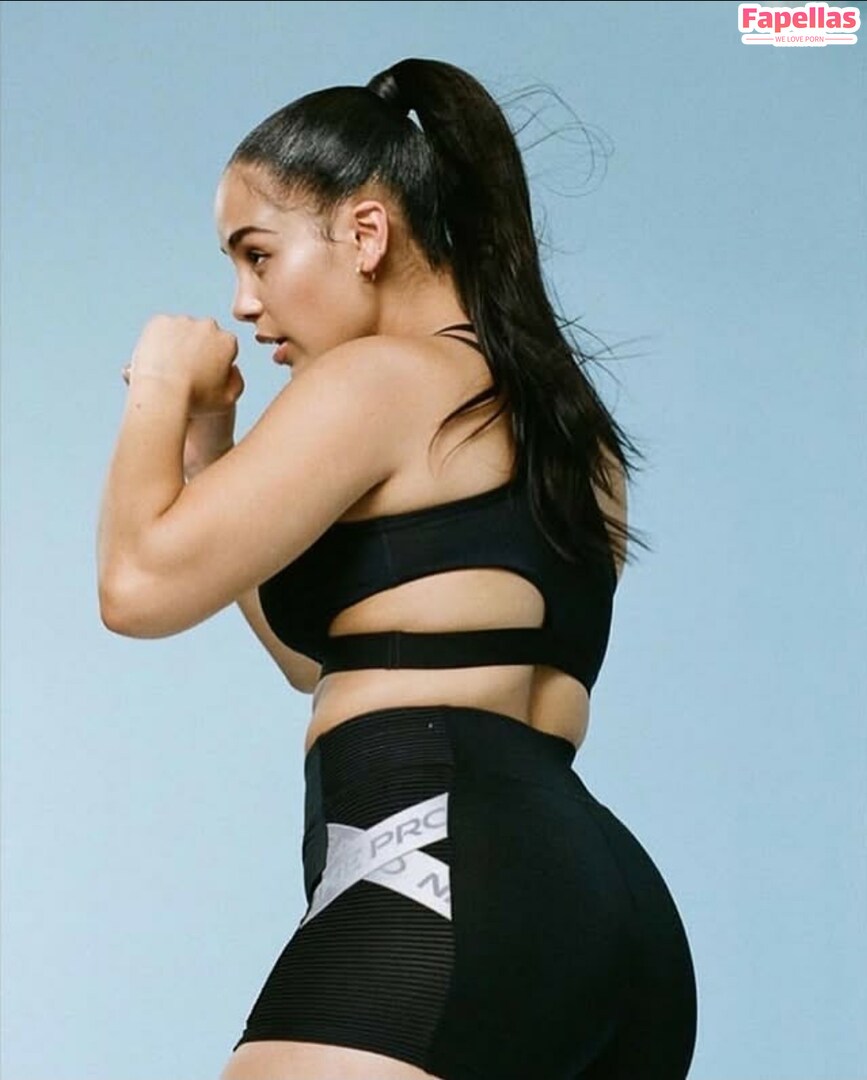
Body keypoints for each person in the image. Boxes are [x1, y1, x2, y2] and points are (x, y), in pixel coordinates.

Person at [98, 57, 697, 1080]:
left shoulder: (382, 378)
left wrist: (157, 383)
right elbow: (323, 657)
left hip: (435, 858)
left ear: (366, 233)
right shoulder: (567, 429)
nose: (243, 302)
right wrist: (209, 452)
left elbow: (137, 587)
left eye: (258, 254)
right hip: (609, 913)